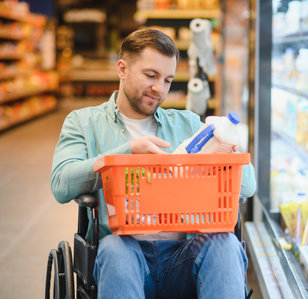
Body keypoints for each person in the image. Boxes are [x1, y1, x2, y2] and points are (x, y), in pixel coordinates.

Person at [51, 28, 256, 299]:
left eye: (168, 80)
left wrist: (228, 150)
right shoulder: (83, 122)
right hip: (124, 252)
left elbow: (249, 187)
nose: (159, 89)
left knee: (226, 243)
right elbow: (61, 183)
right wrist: (126, 154)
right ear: (122, 69)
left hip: (184, 256)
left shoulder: (188, 124)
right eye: (151, 75)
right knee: (114, 248)